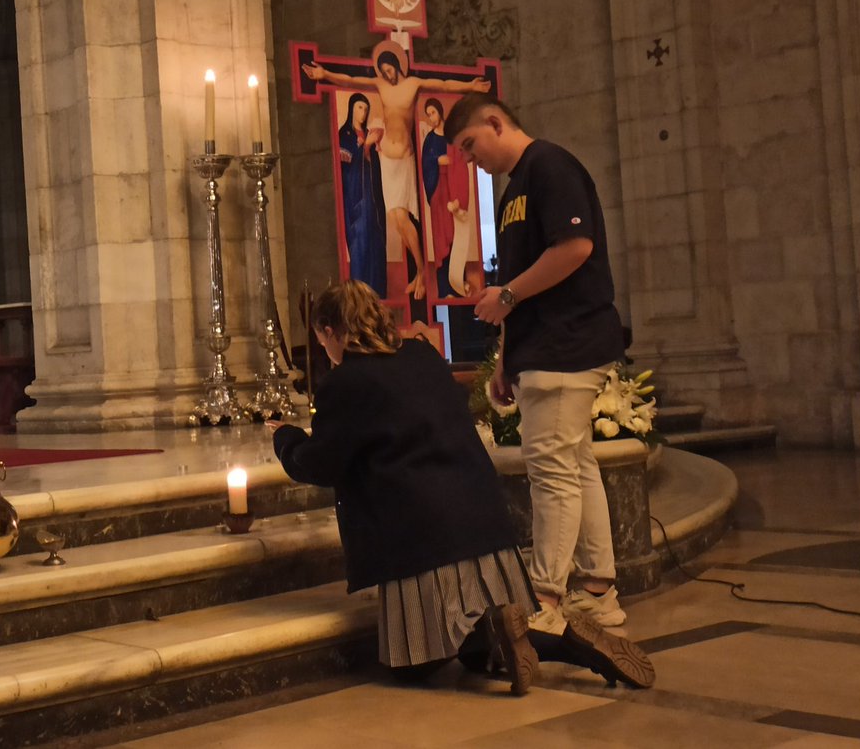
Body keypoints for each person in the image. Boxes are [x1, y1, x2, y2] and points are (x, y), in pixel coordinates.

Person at [269, 281, 655, 693]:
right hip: (485, 531)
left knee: (414, 666)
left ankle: (493, 627)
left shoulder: (346, 382)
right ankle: (572, 646)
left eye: (321, 338)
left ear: (330, 331)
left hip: (423, 545)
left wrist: (286, 437)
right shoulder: (423, 356)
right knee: (477, 653)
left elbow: (320, 464)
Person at [443, 94, 630, 633]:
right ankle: (598, 589)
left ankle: (546, 601)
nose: (469, 159)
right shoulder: (510, 194)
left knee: (550, 471)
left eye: (470, 145)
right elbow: (520, 281)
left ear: (496, 123)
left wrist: (505, 299)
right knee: (576, 463)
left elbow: (575, 247)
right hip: (541, 347)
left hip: (568, 343)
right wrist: (506, 357)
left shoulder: (550, 164)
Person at [303, 41, 491, 301]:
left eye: (389, 69)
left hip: (403, 158)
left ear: (395, 65)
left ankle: (422, 271)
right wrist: (325, 75)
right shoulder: (380, 85)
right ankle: (419, 272)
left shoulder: (413, 84)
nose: (387, 75)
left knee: (402, 217)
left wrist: (470, 87)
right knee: (394, 219)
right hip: (386, 158)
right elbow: (352, 79)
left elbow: (443, 85)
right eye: (383, 71)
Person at [420, 98, 483, 298]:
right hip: (439, 192)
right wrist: (436, 160)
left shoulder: (451, 138)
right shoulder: (430, 140)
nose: (431, 117)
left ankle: (456, 285)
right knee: (441, 240)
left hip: (452, 190)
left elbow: (460, 165)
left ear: (440, 112)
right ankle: (444, 289)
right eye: (428, 114)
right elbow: (425, 164)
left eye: (433, 112)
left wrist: (457, 197)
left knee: (457, 239)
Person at [338, 93, 386, 294]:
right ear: (351, 109)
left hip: (372, 199)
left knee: (376, 243)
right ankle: (359, 295)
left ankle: (377, 292)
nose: (363, 113)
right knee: (360, 244)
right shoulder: (345, 135)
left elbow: (374, 165)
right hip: (356, 199)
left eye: (366, 109)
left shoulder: (369, 133)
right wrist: (364, 146)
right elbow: (345, 163)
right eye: (359, 107)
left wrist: (372, 147)